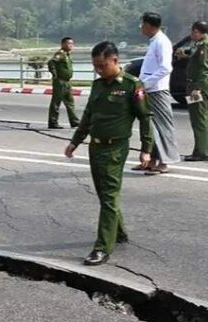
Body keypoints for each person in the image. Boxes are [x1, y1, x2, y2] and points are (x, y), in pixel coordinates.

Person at [64, 41, 153, 266]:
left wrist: (146, 150)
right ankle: (119, 232)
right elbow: (87, 116)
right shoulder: (98, 86)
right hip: (95, 146)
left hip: (115, 149)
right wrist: (75, 142)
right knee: (105, 195)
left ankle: (103, 247)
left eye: (102, 65)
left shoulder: (132, 85)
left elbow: (145, 118)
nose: (99, 70)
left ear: (115, 60)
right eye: (95, 66)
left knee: (109, 195)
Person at [136, 12, 180, 175]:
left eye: (142, 24)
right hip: (149, 90)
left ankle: (164, 162)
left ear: (148, 25)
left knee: (162, 126)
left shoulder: (162, 42)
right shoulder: (154, 41)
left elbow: (166, 68)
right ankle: (151, 160)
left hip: (158, 89)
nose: (141, 28)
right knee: (150, 126)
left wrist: (146, 83)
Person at [177, 21, 208, 162]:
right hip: (194, 84)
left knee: (199, 119)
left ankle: (202, 152)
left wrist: (197, 88)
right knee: (195, 118)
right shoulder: (200, 44)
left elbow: (204, 68)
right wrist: (185, 57)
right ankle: (198, 150)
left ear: (197, 31)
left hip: (198, 85)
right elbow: (197, 62)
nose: (191, 34)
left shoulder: (206, 45)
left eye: (193, 32)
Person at [47, 37, 80, 129]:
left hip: (67, 82)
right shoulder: (60, 54)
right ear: (63, 44)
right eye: (69, 43)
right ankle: (53, 122)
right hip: (60, 81)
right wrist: (54, 74)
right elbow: (51, 62)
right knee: (56, 102)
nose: (71, 46)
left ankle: (74, 121)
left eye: (72, 44)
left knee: (70, 102)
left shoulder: (67, 55)